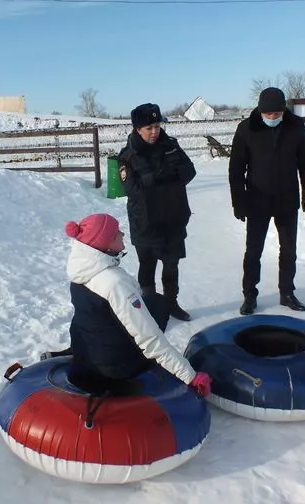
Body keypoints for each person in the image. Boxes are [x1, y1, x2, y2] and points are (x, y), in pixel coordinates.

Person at [64, 213, 211, 396]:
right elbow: (149, 338)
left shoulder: (81, 270)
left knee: (154, 302)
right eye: (117, 233)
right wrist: (191, 376)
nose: (122, 234)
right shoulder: (114, 282)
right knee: (159, 307)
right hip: (114, 367)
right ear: (107, 243)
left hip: (86, 353)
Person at [228, 87, 305, 315]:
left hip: (287, 199)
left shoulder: (295, 126)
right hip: (257, 200)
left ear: (283, 110)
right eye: (268, 114)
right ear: (260, 111)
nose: (272, 118)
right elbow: (236, 168)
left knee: (289, 250)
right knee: (253, 251)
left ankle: (287, 293)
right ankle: (249, 296)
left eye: (277, 114)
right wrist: (238, 200)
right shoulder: (246, 129)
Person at [117, 103, 196, 322]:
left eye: (157, 126)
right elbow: (131, 190)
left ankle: (171, 303)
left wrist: (174, 171)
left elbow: (190, 171)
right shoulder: (128, 156)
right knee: (147, 266)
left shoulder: (171, 146)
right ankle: (150, 307)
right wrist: (155, 177)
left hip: (173, 217)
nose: (154, 132)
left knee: (171, 265)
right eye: (149, 128)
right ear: (137, 129)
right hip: (145, 221)